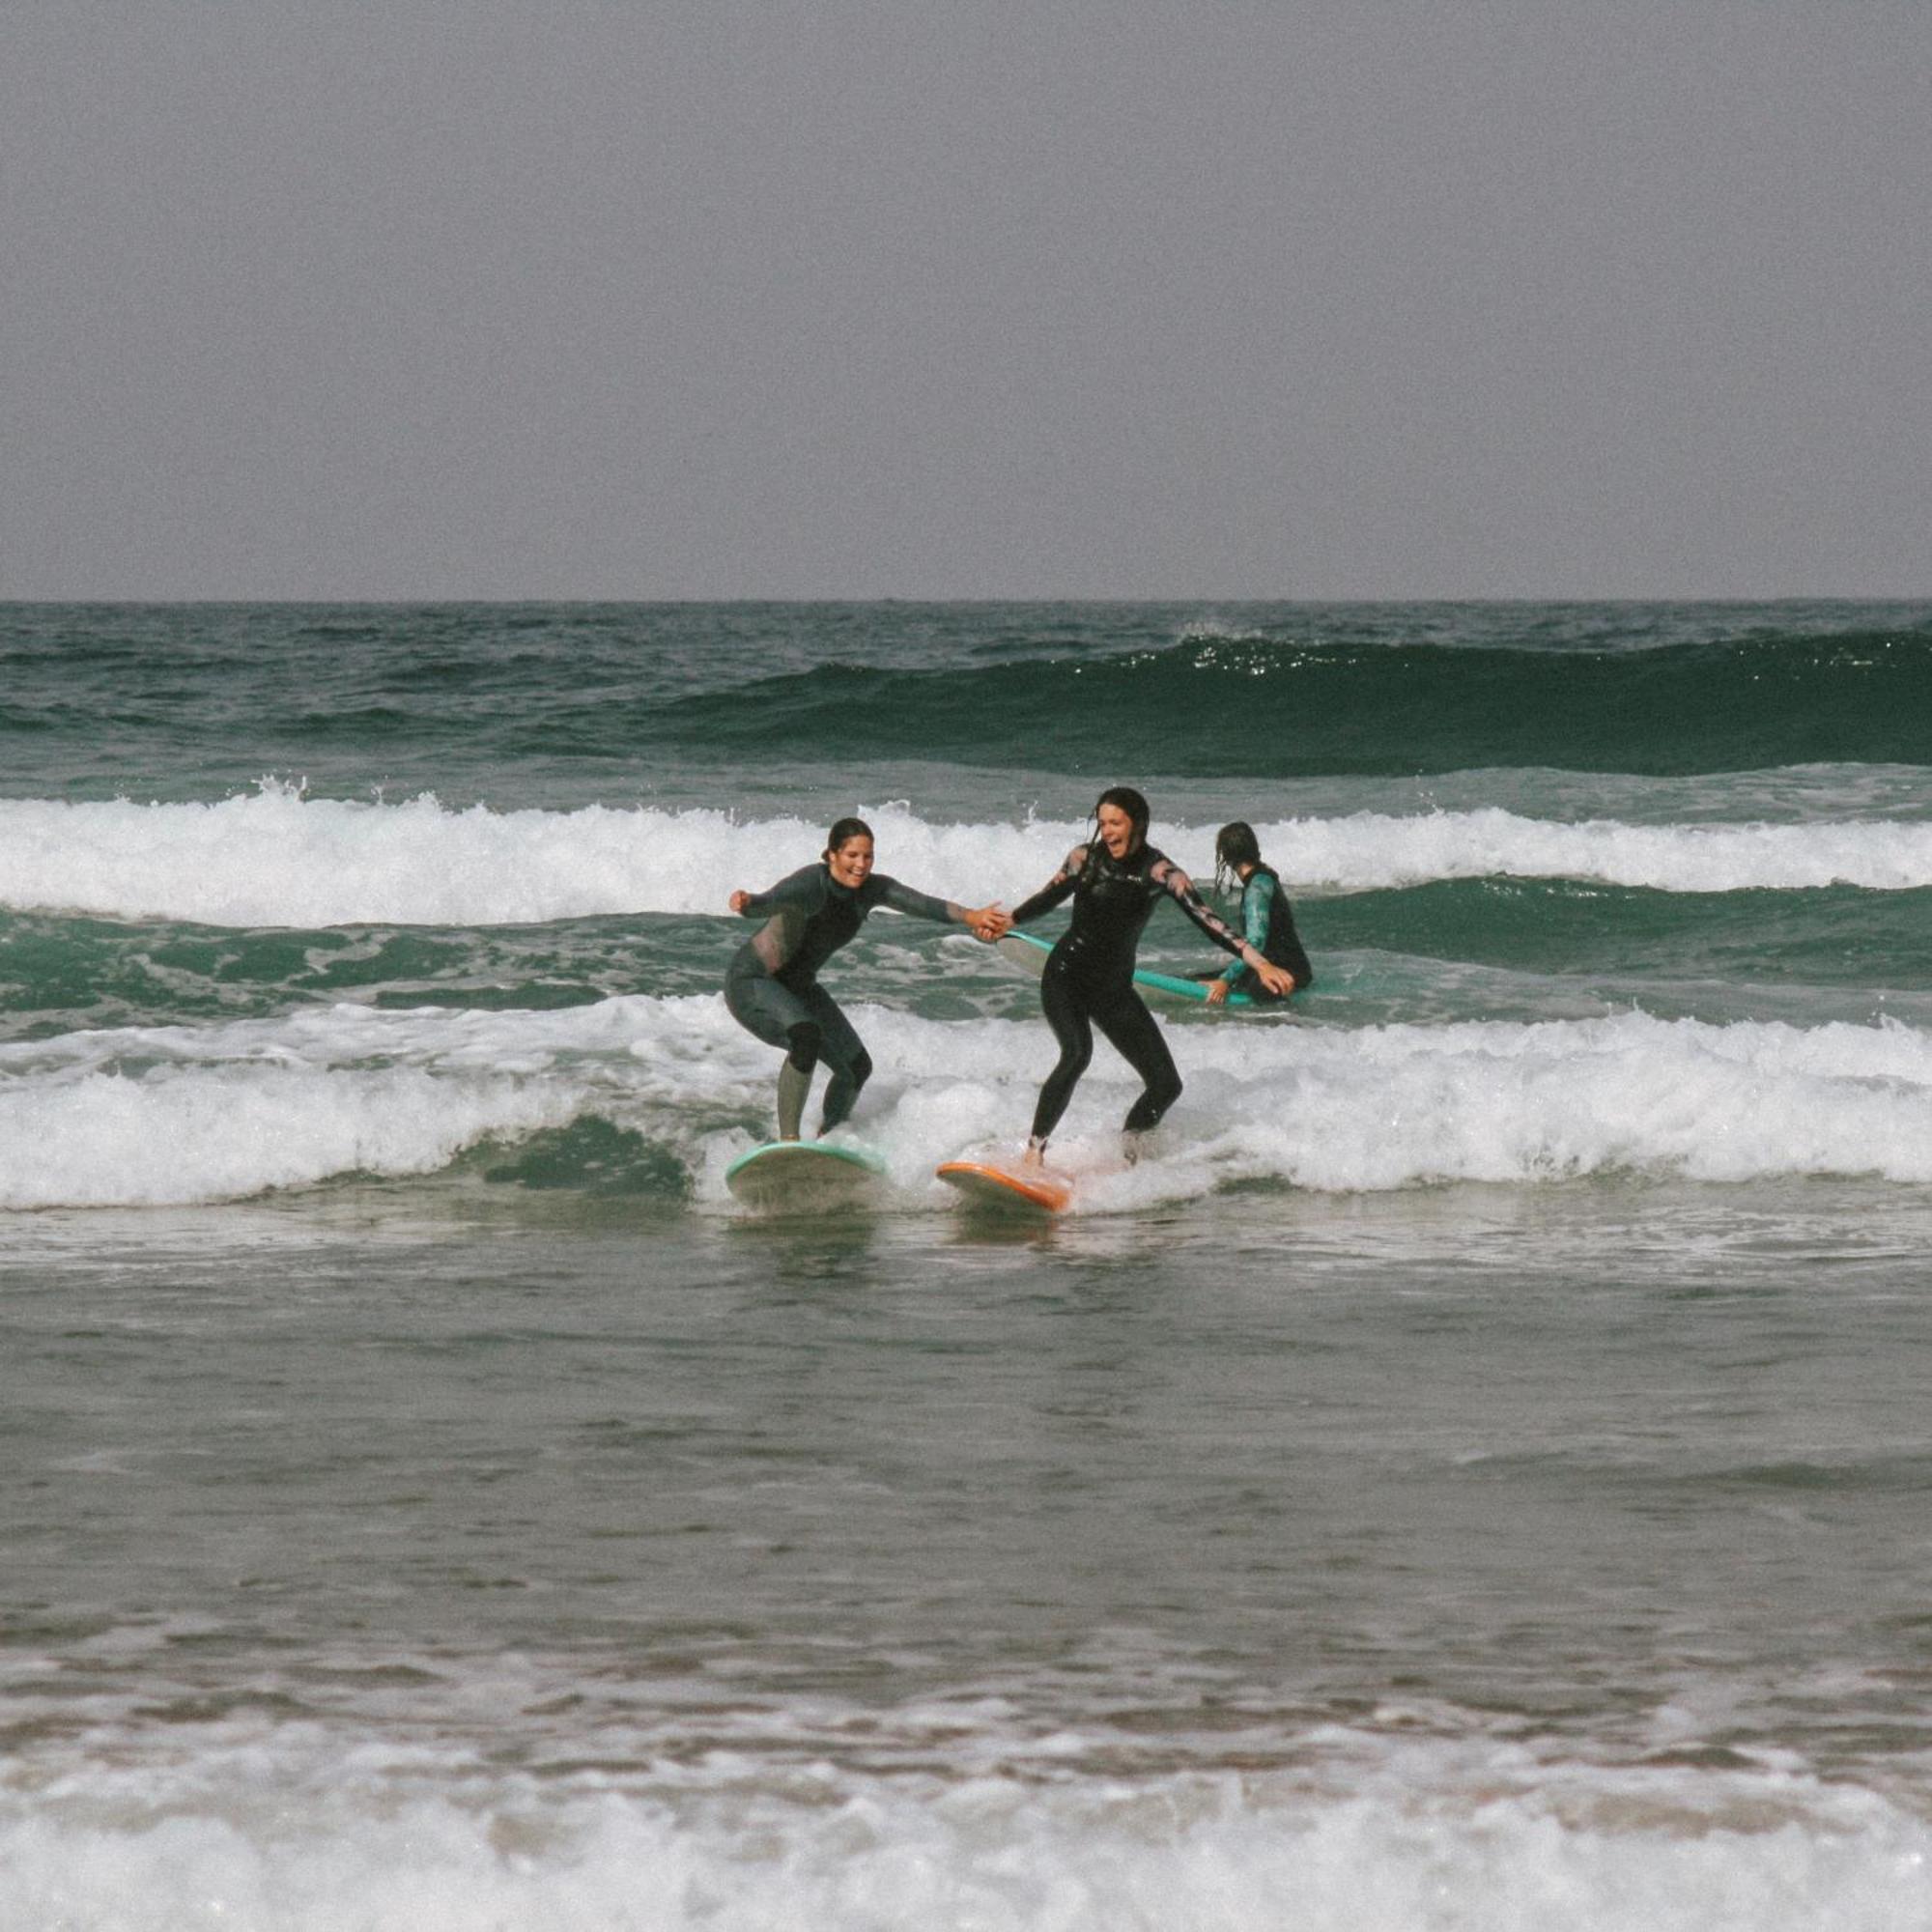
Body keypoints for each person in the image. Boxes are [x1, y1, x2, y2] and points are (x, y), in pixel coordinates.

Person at [1001, 787, 1295, 1159]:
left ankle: (1127, 1155)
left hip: (1113, 987)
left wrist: (1260, 962)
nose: (1107, 832)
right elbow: (1047, 897)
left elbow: (1209, 922)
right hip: (1067, 974)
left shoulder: (1161, 872)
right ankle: (1034, 1152)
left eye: (1116, 823)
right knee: (1077, 1054)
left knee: (1165, 1085)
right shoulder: (1083, 859)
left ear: (1138, 824)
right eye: (1102, 823)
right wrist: (1009, 919)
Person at [726, 818, 1008, 1141]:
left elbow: (921, 903)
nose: (861, 865)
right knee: (806, 1037)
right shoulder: (810, 884)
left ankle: (830, 1138)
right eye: (852, 855)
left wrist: (972, 917)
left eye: (868, 856)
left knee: (856, 1069)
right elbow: (770, 901)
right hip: (754, 981)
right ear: (832, 855)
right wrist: (748, 904)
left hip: (800, 987)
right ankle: (788, 1143)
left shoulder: (872, 890)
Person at [1199, 821, 1313, 1006]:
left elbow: (1256, 942)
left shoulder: (1257, 888)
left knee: (1253, 988)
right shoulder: (1263, 878)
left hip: (1287, 973)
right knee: (1204, 978)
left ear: (1227, 856)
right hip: (1280, 965)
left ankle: (1281, 1023)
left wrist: (1225, 980)